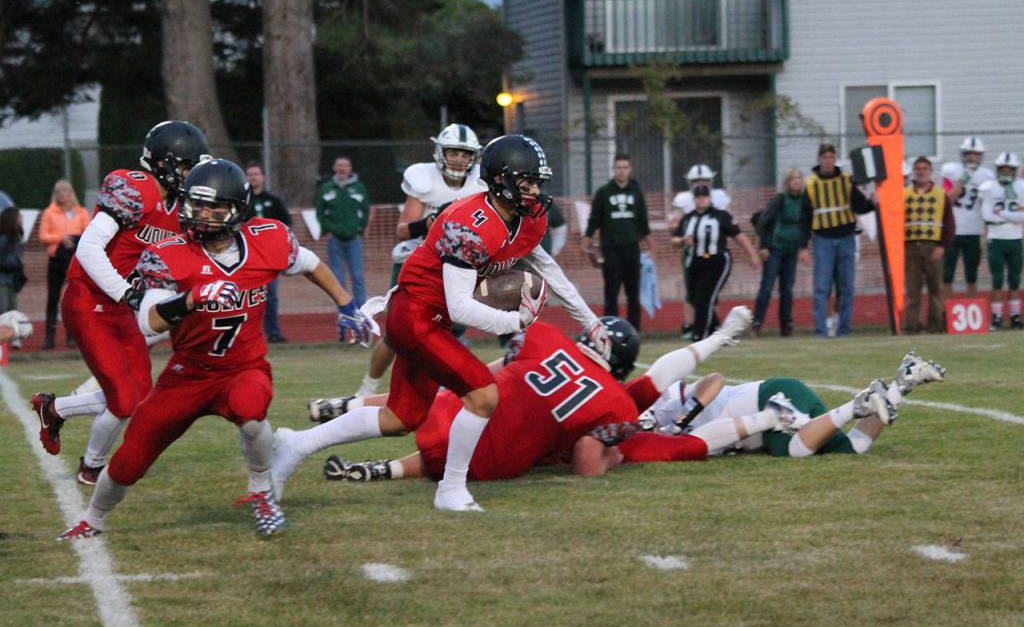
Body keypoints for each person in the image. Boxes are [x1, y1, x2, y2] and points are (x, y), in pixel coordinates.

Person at [272, 134, 613, 513]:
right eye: (526, 182)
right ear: (500, 179)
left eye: (537, 182)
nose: (534, 191)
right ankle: (450, 489)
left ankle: (297, 443)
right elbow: (461, 306)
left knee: (401, 417)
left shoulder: (525, 217)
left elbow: (548, 269)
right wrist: (513, 320)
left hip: (433, 318)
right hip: (415, 314)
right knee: (484, 395)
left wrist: (590, 321)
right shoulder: (469, 224)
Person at [56, 159, 371, 540]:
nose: (202, 215)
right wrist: (191, 299)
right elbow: (148, 321)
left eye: (214, 208)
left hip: (243, 368)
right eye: (197, 205)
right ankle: (93, 520)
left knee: (251, 414)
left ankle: (261, 492)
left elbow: (311, 263)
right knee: (128, 461)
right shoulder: (169, 251)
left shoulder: (267, 239)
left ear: (237, 209)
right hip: (187, 374)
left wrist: (346, 304)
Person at [316, 307, 755, 483]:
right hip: (507, 455)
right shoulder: (618, 402)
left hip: (471, 409)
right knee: (469, 446)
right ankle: (381, 469)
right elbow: (654, 382)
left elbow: (501, 366)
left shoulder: (547, 336)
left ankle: (351, 410)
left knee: (446, 403)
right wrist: (719, 339)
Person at [32, 120, 209, 486]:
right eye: (186, 166)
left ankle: (59, 415)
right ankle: (89, 464)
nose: (191, 174)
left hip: (119, 305)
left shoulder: (178, 205)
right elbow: (89, 247)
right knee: (125, 400)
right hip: (87, 299)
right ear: (163, 162)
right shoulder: (135, 187)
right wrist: (126, 292)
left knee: (139, 398)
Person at [355, 124, 486, 397]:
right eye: (454, 152)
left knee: (449, 331)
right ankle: (366, 390)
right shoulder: (423, 178)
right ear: (441, 152)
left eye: (465, 154)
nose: (460, 159)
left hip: (455, 264)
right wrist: (428, 222)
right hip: (415, 258)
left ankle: (448, 394)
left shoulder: (479, 185)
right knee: (395, 333)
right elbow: (402, 229)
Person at [632, 351, 945, 460]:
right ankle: (903, 382)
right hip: (776, 406)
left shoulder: (661, 404)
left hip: (770, 399)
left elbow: (713, 380)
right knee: (852, 449)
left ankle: (858, 405)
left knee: (793, 450)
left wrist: (682, 418)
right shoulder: (661, 444)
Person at [672, 184, 760, 341]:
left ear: (710, 198)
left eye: (704, 196)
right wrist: (682, 240)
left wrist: (752, 255)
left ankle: (700, 335)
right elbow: (675, 240)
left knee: (704, 298)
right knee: (694, 298)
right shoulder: (688, 218)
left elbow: (738, 236)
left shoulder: (720, 216)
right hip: (694, 261)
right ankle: (719, 332)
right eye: (698, 197)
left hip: (716, 260)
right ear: (694, 199)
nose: (701, 200)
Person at [804, 143, 874, 338]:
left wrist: (873, 202)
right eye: (824, 157)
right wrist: (803, 245)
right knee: (821, 288)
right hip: (823, 239)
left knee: (846, 287)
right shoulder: (811, 184)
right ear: (819, 160)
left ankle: (844, 330)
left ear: (835, 159)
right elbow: (805, 216)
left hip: (846, 238)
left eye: (831, 157)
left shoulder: (846, 181)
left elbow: (861, 206)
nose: (828, 161)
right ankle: (820, 331)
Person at [581, 154, 650, 330]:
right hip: (611, 249)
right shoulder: (604, 192)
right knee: (611, 292)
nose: (622, 171)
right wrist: (587, 239)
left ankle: (634, 330)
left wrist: (649, 244)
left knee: (632, 292)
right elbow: (594, 218)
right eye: (618, 167)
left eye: (625, 167)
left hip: (632, 248)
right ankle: (610, 329)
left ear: (630, 169)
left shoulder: (636, 192)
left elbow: (643, 221)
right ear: (613, 169)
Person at [670, 164, 731, 338]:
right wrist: (682, 235)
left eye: (703, 180)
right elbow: (675, 224)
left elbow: (727, 220)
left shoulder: (718, 198)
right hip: (692, 251)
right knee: (693, 291)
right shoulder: (684, 199)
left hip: (713, 250)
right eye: (696, 181)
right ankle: (693, 325)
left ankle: (711, 326)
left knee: (710, 293)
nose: (700, 183)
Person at [752, 168, 812, 336]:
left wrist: (804, 247)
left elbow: (806, 225)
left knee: (787, 290)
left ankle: (786, 325)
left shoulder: (804, 202)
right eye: (793, 179)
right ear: (787, 182)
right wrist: (763, 246)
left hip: (791, 250)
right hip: (774, 249)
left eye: (799, 179)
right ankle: (757, 322)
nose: (797, 182)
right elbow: (763, 221)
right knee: (767, 287)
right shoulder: (779, 200)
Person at [903, 157, 955, 333]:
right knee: (912, 290)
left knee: (935, 289)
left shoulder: (940, 194)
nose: (921, 171)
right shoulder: (905, 194)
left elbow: (949, 223)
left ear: (930, 171)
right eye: (918, 168)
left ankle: (936, 325)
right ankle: (911, 325)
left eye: (925, 168)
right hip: (910, 247)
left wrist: (942, 246)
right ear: (913, 172)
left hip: (932, 246)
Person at [38, 179, 91, 349]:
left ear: (70, 193)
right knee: (53, 299)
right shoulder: (49, 213)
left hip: (75, 260)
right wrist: (61, 238)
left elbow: (89, 233)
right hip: (56, 260)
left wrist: (75, 241)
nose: (62, 194)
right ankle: (49, 337)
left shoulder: (81, 212)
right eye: (58, 191)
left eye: (65, 191)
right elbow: (43, 236)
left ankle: (72, 337)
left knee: (73, 299)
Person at [941, 136, 994, 299]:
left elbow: (989, 204)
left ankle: (971, 307)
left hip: (973, 230)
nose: (972, 157)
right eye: (969, 153)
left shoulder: (987, 175)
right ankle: (946, 312)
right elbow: (947, 199)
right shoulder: (951, 170)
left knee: (972, 276)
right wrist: (961, 182)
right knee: (947, 275)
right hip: (953, 230)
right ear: (962, 154)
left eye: (976, 154)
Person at [246, 162, 292, 343]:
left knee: (271, 295)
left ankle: (273, 332)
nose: (253, 177)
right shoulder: (242, 200)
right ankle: (247, 334)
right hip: (247, 255)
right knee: (247, 296)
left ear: (262, 177)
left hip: (268, 256)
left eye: (256, 174)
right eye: (249, 174)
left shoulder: (273, 201)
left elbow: (286, 223)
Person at [316, 156, 369, 308]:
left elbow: (365, 209)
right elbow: (320, 211)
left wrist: (361, 228)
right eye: (339, 165)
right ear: (334, 168)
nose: (342, 168)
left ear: (350, 168)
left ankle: (362, 311)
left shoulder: (359, 187)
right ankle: (344, 311)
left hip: (354, 239)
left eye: (345, 165)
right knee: (337, 278)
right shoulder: (327, 188)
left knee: (358, 277)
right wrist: (327, 229)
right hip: (335, 240)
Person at [979, 152, 1024, 330]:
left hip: (1014, 238)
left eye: (1009, 169)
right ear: (997, 170)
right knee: (997, 280)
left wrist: (1004, 215)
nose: (1006, 172)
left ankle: (1015, 316)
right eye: (1002, 169)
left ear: (1014, 170)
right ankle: (996, 318)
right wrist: (1014, 216)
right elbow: (986, 215)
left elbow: (1023, 217)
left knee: (1014, 280)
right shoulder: (989, 187)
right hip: (996, 239)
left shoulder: (1021, 186)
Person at [0, 207, 25, 318]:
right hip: (2, 279)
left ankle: (12, 334)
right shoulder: (4, 238)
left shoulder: (18, 236)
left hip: (12, 278)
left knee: (13, 310)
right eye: (19, 216)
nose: (22, 218)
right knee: (4, 310)